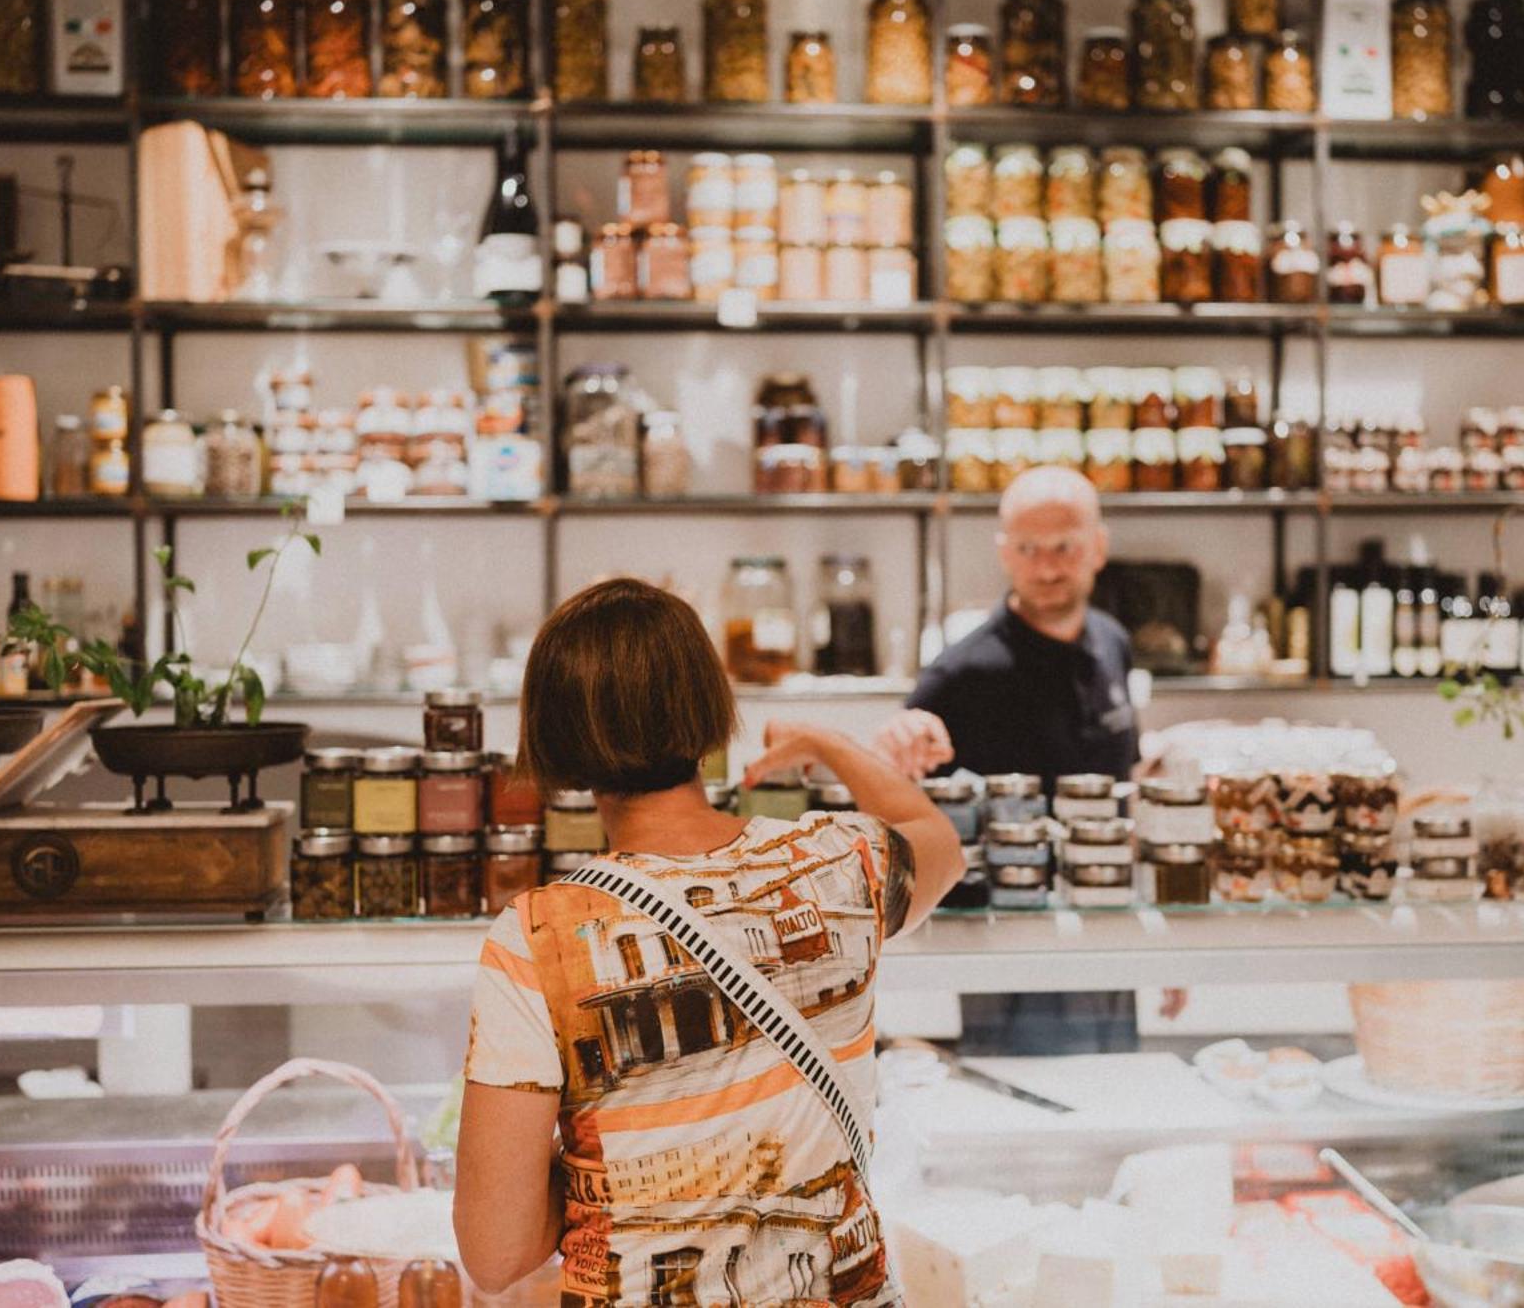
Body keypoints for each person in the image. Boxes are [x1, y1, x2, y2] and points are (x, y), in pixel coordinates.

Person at [454, 578, 964, 1306]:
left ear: (556, 734)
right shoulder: (839, 862)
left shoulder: (540, 936)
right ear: (709, 708)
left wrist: (627, 1155)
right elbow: (941, 841)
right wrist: (826, 743)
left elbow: (495, 1253)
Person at [873, 465, 1182, 1054]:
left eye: (1064, 546)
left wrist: (1160, 943)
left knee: (1114, 1088)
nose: (1047, 567)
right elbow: (894, 778)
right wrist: (897, 737)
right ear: (1004, 554)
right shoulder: (963, 673)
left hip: (1108, 923)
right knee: (1022, 1113)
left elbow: (1124, 785)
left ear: (1097, 547)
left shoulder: (1112, 642)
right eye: (1028, 548)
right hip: (1011, 943)